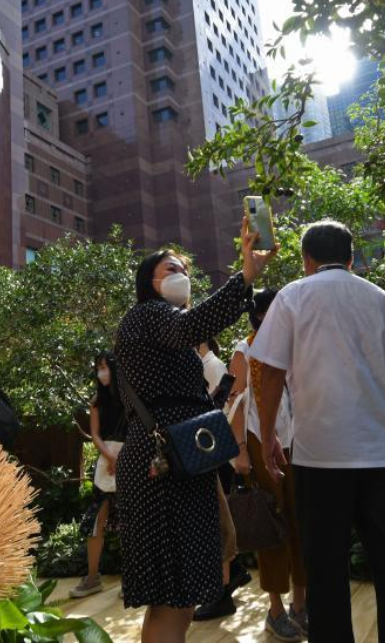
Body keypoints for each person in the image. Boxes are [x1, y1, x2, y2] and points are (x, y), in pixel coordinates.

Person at [251, 220, 385, 643]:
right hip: (382, 453)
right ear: (350, 258)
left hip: (320, 456)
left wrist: (268, 435)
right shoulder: (382, 299)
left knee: (325, 567)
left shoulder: (293, 296)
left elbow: (270, 373)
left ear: (306, 259)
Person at [115, 217, 276, 643]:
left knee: (177, 596)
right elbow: (191, 326)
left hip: (174, 460)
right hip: (165, 465)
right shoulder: (149, 315)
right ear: (148, 280)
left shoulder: (156, 324)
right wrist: (245, 276)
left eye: (185, 269)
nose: (182, 274)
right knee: (174, 595)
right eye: (171, 268)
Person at [227, 288, 307, 641]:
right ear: (260, 314)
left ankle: (301, 606)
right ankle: (275, 611)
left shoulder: (293, 347)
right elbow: (234, 403)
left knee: (301, 522)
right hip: (261, 441)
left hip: (297, 442)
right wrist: (241, 450)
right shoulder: (245, 349)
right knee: (272, 523)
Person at [193, 337, 253, 623]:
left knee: (219, 518)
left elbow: (224, 409)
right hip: (213, 451)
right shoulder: (204, 365)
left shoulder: (213, 366)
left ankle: (223, 588)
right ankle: (233, 574)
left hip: (217, 452)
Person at [70, 352, 127, 598]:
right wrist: (110, 457)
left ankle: (132, 579)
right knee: (96, 521)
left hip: (129, 458)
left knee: (130, 521)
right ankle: (92, 577)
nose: (101, 371)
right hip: (105, 462)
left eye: (105, 366)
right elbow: (95, 434)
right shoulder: (96, 401)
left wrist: (122, 458)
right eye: (98, 367)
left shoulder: (130, 397)